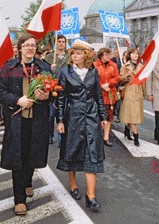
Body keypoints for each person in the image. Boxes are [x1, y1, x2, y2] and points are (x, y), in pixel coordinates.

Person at [0, 34, 50, 216]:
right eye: (26, 45)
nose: (29, 48)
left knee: (32, 154)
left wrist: (47, 97)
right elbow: (0, 92)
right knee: (18, 158)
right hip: (17, 121)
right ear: (19, 48)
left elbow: (54, 91)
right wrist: (17, 99)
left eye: (33, 45)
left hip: (37, 121)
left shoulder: (44, 67)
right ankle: (19, 200)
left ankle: (28, 181)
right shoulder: (8, 68)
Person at [56, 39, 107, 211]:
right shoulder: (65, 72)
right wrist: (60, 120)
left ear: (86, 55)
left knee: (91, 152)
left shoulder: (93, 72)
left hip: (91, 116)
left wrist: (103, 116)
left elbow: (98, 95)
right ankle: (73, 185)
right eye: (73, 53)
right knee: (72, 150)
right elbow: (61, 98)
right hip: (73, 116)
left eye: (78, 53)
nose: (75, 55)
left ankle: (91, 196)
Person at [44, 34, 69, 144]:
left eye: (63, 41)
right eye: (59, 41)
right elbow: (44, 72)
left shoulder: (69, 56)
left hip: (65, 89)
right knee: (50, 116)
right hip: (52, 90)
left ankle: (61, 138)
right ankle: (49, 135)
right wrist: (50, 69)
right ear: (55, 43)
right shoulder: (49, 57)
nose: (61, 43)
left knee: (63, 114)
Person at [93, 47, 120, 147]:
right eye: (107, 54)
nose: (109, 56)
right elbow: (92, 78)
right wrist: (101, 85)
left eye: (110, 54)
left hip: (109, 95)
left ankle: (106, 137)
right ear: (101, 55)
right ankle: (97, 137)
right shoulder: (95, 65)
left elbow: (117, 77)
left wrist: (108, 84)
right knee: (98, 116)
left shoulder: (113, 65)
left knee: (109, 117)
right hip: (98, 95)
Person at [119, 48, 145, 147]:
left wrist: (145, 93)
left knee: (135, 115)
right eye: (133, 54)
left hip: (138, 92)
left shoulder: (141, 66)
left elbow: (144, 81)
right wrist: (127, 75)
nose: (135, 55)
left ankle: (127, 129)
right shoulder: (125, 66)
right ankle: (136, 136)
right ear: (129, 55)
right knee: (133, 115)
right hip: (129, 91)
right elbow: (120, 79)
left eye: (137, 54)